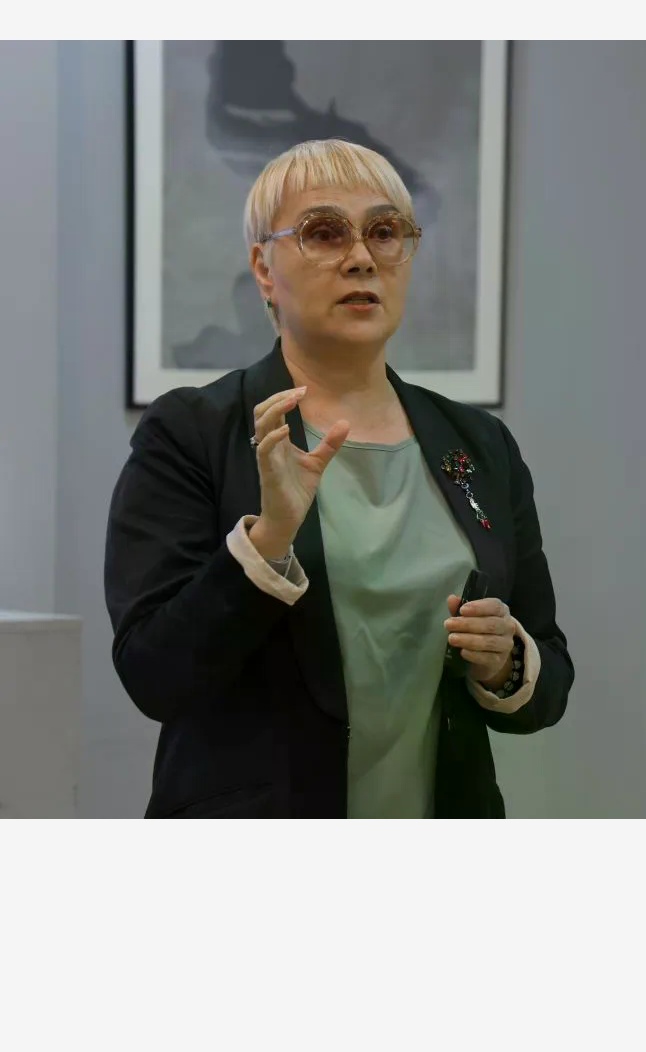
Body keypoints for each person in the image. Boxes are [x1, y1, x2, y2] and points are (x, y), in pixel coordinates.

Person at [105, 138, 573, 817]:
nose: (361, 257)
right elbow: (155, 675)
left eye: (384, 232)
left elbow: (549, 674)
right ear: (264, 269)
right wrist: (268, 541)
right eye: (325, 233)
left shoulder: (479, 444)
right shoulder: (193, 432)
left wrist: (505, 660)